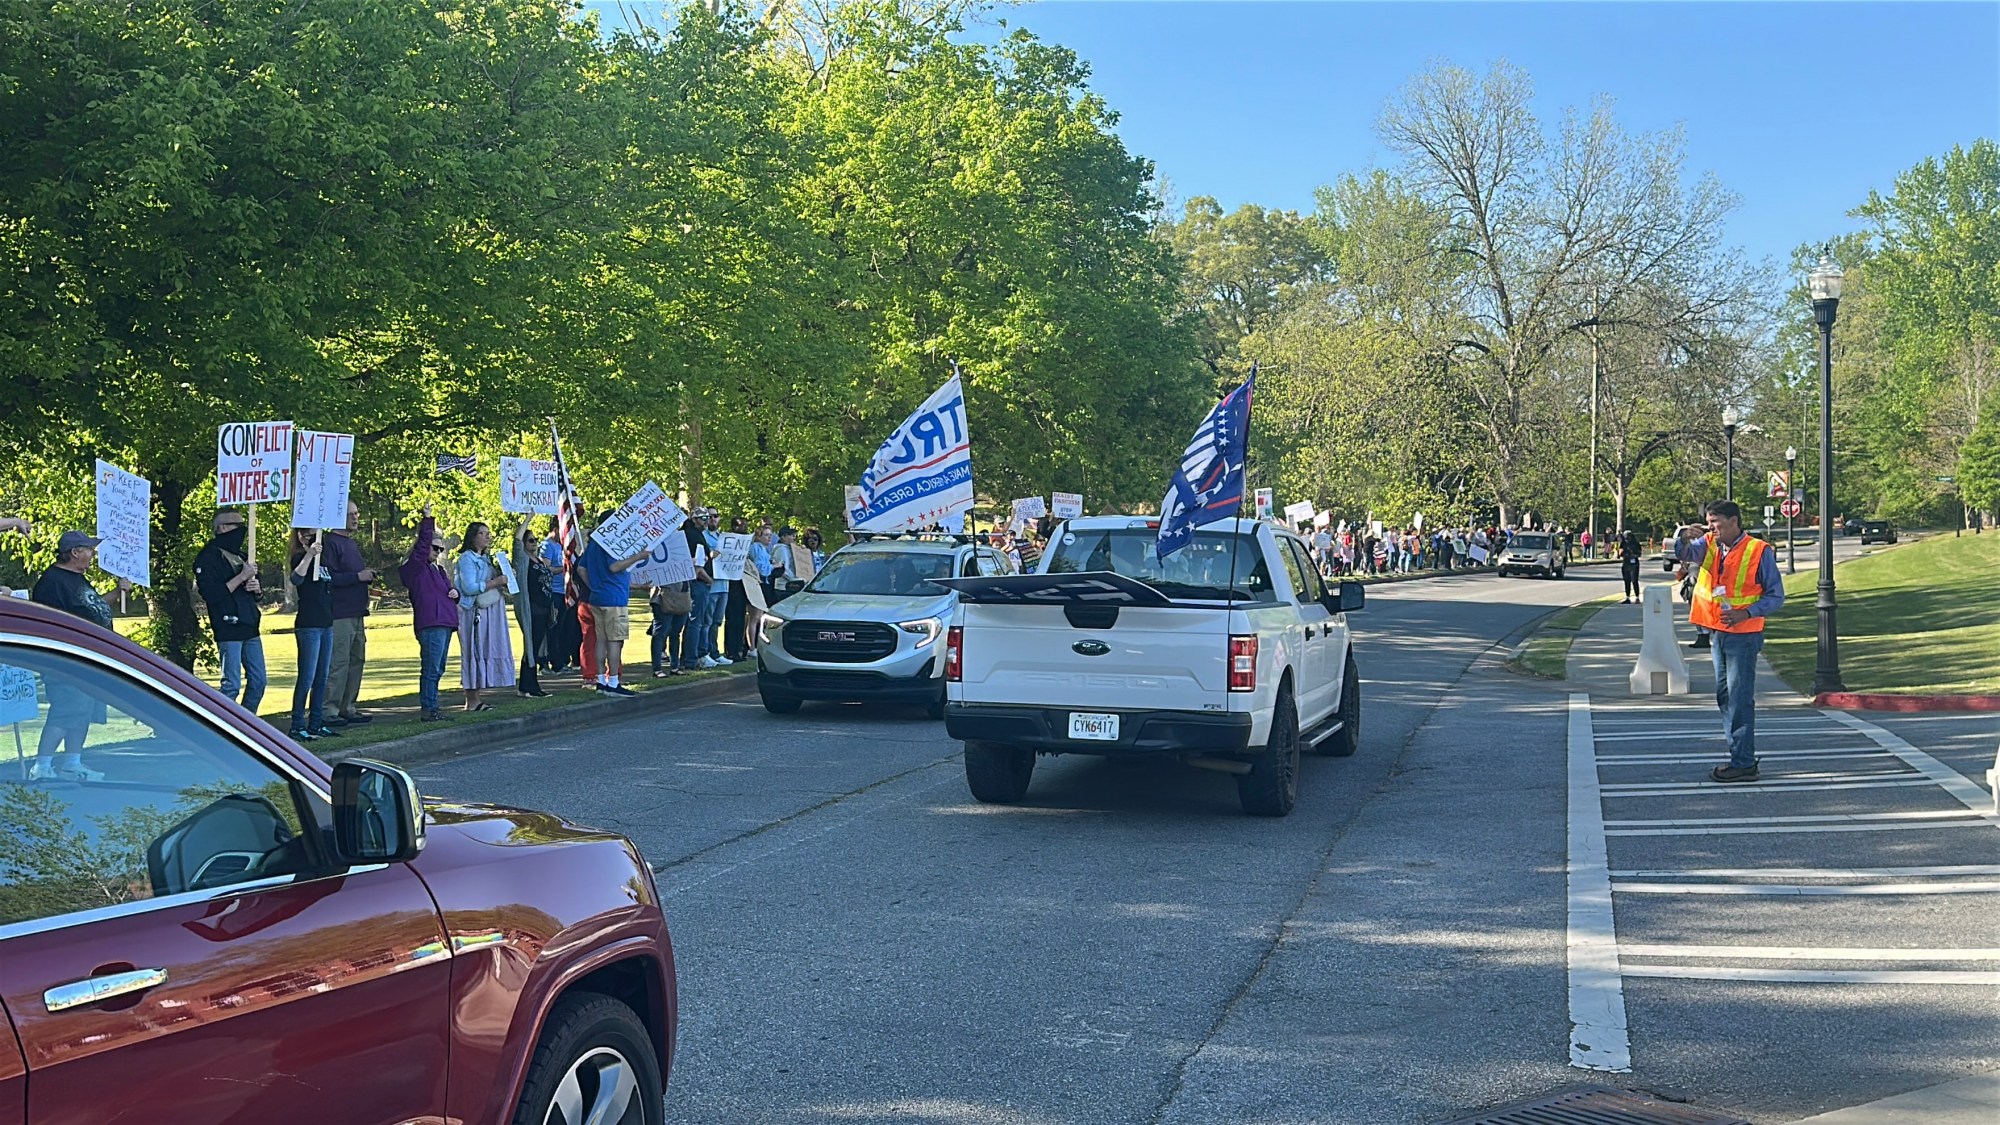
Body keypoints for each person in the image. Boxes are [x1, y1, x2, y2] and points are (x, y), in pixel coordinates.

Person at [1673, 500, 1785, 783]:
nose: (1712, 528)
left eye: (1716, 522)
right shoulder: (1709, 543)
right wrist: (1684, 537)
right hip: (1718, 633)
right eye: (1709, 522)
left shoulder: (1758, 551)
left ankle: (1744, 762)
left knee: (1739, 698)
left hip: (1744, 635)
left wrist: (1746, 612)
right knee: (1725, 697)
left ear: (1734, 521)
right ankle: (1739, 756)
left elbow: (1776, 596)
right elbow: (1685, 554)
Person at [27, 531, 129, 780]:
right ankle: (42, 766)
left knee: (82, 711)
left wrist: (118, 592)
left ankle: (73, 763)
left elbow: (92, 608)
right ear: (75, 552)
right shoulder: (53, 582)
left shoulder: (78, 579)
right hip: (66, 662)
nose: (93, 554)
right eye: (89, 549)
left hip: (88, 660)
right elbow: (51, 623)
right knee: (65, 711)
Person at [192, 509, 265, 714]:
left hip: (250, 624)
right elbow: (212, 594)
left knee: (259, 681)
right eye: (237, 525)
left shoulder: (242, 556)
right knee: (231, 684)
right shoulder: (208, 558)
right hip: (228, 626)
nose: (241, 531)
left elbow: (256, 594)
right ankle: (221, 725)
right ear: (222, 528)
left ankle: (247, 724)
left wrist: (256, 589)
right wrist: (241, 577)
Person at [399, 506, 460, 722]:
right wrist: (427, 521)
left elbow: (448, 592)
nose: (437, 553)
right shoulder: (413, 569)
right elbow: (422, 546)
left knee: (439, 667)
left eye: (441, 550)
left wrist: (456, 594)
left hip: (445, 621)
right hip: (430, 622)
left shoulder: (439, 570)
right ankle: (429, 708)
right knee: (431, 668)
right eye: (435, 548)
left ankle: (432, 705)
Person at [579, 511, 649, 696]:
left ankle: (601, 680)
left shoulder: (594, 543)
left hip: (598, 597)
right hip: (614, 599)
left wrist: (594, 586)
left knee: (600, 640)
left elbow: (581, 568)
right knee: (615, 641)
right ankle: (614, 683)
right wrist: (638, 556)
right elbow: (614, 566)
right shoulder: (610, 543)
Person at [323, 501, 377, 725]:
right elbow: (328, 578)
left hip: (357, 611)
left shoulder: (350, 544)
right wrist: (357, 577)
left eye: (357, 513)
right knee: (339, 662)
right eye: (350, 514)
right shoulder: (330, 543)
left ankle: (348, 706)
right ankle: (329, 710)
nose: (356, 518)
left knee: (357, 659)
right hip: (340, 613)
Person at [455, 521, 517, 711]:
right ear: (472, 537)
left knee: (483, 651)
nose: (487, 537)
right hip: (473, 612)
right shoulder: (466, 559)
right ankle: (472, 700)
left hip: (488, 610)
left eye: (488, 533)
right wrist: (495, 581)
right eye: (482, 533)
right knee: (473, 652)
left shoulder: (485, 559)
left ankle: (478, 697)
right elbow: (469, 587)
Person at [287, 529, 338, 741]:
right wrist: (309, 554)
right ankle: (297, 724)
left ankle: (316, 722)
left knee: (321, 677)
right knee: (307, 677)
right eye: (308, 535)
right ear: (300, 536)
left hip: (326, 622)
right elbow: (296, 579)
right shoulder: (300, 557)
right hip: (309, 624)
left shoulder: (323, 561)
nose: (313, 539)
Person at [518, 525, 556, 693]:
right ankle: (528, 686)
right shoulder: (522, 560)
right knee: (531, 647)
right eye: (530, 540)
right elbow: (516, 541)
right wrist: (528, 518)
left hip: (545, 608)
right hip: (533, 609)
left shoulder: (538, 560)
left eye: (536, 540)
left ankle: (531, 684)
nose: (534, 544)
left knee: (536, 646)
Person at [539, 525, 576, 674]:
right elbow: (546, 568)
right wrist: (565, 568)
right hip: (553, 592)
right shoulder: (547, 545)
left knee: (563, 628)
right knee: (553, 628)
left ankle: (562, 659)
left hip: (564, 591)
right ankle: (554, 662)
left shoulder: (561, 545)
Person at [722, 516, 751, 662]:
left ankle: (739, 648)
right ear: (734, 527)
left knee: (741, 619)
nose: (745, 528)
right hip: (731, 585)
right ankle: (731, 650)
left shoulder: (747, 543)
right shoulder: (729, 541)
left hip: (743, 585)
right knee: (732, 619)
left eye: (746, 525)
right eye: (742, 525)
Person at [1619, 531, 1643, 603]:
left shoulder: (1636, 544)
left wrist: (1634, 555)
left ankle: (1637, 597)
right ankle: (1627, 597)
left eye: (1628, 536)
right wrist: (1622, 552)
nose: (1627, 538)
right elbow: (1619, 553)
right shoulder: (1623, 543)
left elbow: (1639, 554)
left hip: (1634, 564)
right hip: (1626, 563)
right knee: (1627, 581)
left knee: (1634, 580)